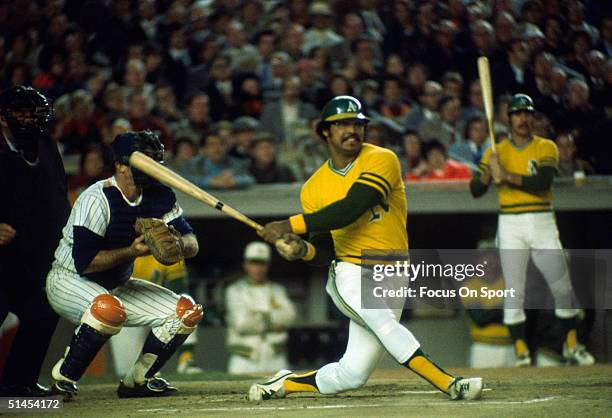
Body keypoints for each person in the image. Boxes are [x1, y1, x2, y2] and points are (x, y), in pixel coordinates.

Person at [248, 96, 483, 402]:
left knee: (352, 375)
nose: (351, 130)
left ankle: (286, 383)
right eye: (342, 124)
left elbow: (351, 208)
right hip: (351, 270)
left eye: (357, 123)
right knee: (384, 324)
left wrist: (289, 226)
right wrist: (302, 251)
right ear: (325, 133)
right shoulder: (313, 188)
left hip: (395, 269)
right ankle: (450, 383)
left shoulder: (381, 159)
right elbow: (325, 249)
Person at [45, 131, 203, 400]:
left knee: (185, 311)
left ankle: (139, 380)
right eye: (145, 161)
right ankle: (64, 380)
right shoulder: (97, 198)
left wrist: (179, 244)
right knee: (108, 309)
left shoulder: (160, 195)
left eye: (155, 161)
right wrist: (132, 251)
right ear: (120, 165)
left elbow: (193, 242)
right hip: (69, 279)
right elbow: (86, 263)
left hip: (116, 284)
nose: (152, 168)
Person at [469, 93, 595, 367]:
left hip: (541, 219)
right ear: (509, 118)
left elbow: (543, 180)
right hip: (511, 222)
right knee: (514, 288)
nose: (523, 119)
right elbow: (475, 190)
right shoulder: (496, 151)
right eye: (517, 114)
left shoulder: (546, 146)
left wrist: (508, 176)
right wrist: (488, 174)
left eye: (527, 113)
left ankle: (572, 344)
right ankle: (521, 350)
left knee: (561, 283)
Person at [0, 86, 70, 396]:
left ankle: (19, 384)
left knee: (43, 310)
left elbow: (56, 198)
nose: (29, 120)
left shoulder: (46, 146)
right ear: (3, 118)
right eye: (21, 113)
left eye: (34, 113)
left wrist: (65, 239)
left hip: (31, 252)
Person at [109, 256, 203, 376]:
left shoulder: (166, 248)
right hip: (126, 309)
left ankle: (186, 359)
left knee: (186, 303)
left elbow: (178, 288)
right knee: (127, 371)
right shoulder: (118, 249)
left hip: (155, 306)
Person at [225, 242, 297, 374]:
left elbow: (290, 317)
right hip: (244, 358)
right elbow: (242, 324)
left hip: (276, 357)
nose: (258, 268)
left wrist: (257, 317)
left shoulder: (277, 290)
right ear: (246, 265)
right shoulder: (235, 291)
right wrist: (273, 318)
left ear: (268, 265)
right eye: (254, 262)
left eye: (262, 263)